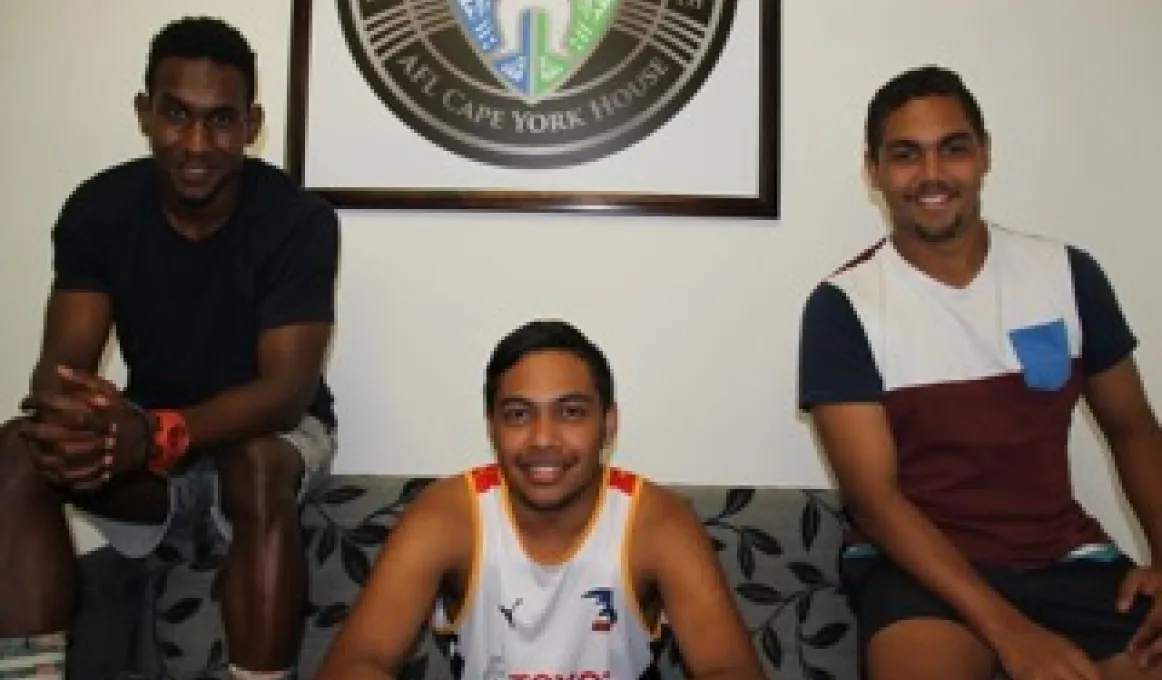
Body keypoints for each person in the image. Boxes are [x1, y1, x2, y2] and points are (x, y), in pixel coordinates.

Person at [0, 16, 340, 680]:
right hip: (150, 456)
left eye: (220, 121)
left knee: (258, 465)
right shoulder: (99, 210)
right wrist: (68, 415)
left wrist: (157, 434)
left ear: (252, 124)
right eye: (176, 114)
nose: (195, 143)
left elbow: (286, 392)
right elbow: (63, 362)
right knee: (17, 450)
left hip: (271, 439)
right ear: (144, 113)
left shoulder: (297, 220)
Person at [797, 64, 1162, 680]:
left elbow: (1134, 429)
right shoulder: (844, 305)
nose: (933, 175)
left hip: (1064, 560)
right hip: (923, 575)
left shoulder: (1067, 274)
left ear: (985, 154)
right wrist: (1012, 634)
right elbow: (874, 500)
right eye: (906, 155)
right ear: (875, 170)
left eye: (954, 149)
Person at [315, 320, 765, 680]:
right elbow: (356, 661)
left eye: (571, 412)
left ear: (608, 425)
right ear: (491, 427)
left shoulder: (658, 521)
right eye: (518, 415)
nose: (543, 439)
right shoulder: (447, 515)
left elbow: (728, 669)